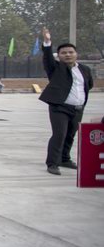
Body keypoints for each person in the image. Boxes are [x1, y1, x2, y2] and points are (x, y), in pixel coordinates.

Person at [39, 27, 94, 175]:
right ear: (59, 56)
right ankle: (52, 163)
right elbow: (47, 58)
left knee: (70, 135)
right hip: (60, 108)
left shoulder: (85, 69)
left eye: (71, 52)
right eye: (64, 53)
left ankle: (65, 159)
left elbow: (89, 85)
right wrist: (47, 42)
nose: (68, 55)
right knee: (59, 134)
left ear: (76, 54)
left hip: (78, 108)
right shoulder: (55, 68)